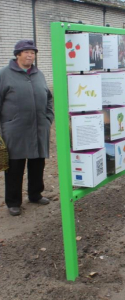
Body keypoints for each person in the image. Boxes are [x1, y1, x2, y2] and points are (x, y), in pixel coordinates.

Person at [0, 40, 54, 216]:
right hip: (15, 130)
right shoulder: (5, 74)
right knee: (15, 167)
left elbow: (49, 97)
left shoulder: (39, 74)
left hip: (39, 127)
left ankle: (35, 194)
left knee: (38, 163)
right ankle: (13, 202)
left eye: (33, 52)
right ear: (17, 54)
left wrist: (48, 117)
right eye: (26, 52)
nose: (30, 55)